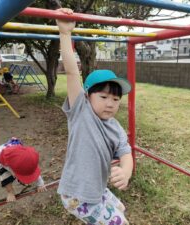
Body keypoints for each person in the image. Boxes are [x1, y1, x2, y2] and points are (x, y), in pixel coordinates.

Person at [56, 8, 133, 225]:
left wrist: (125, 172)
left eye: (116, 99)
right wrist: (65, 34)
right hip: (76, 195)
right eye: (103, 96)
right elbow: (72, 72)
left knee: (120, 208)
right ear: (88, 96)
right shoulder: (81, 111)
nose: (110, 103)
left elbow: (126, 154)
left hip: (96, 190)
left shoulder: (115, 127)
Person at [0, 137, 47, 204]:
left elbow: (33, 170)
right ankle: (10, 192)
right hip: (0, 159)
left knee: (28, 169)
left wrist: (40, 183)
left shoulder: (26, 157)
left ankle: (20, 179)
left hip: (15, 155)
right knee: (5, 175)